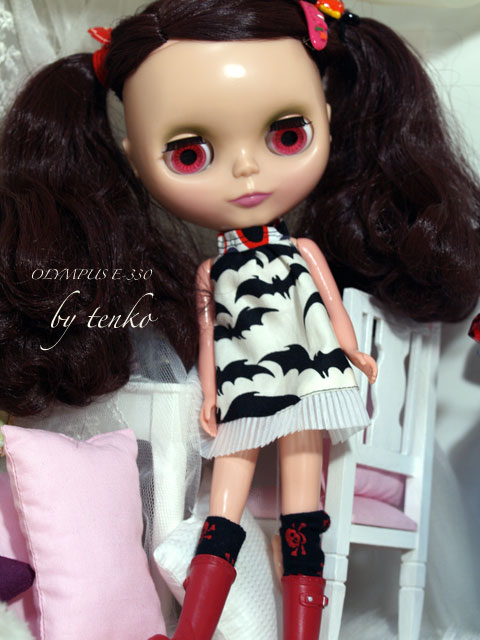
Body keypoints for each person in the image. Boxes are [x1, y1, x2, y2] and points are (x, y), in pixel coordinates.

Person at [1, 1, 479, 639]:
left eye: (286, 135)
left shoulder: (302, 252)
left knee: (302, 515)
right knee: (222, 512)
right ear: (134, 159)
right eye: (190, 153)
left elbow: (330, 309)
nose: (247, 169)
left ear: (327, 118)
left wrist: (353, 352)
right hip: (244, 387)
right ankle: (193, 631)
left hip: (312, 380)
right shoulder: (211, 271)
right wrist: (209, 394)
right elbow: (210, 336)